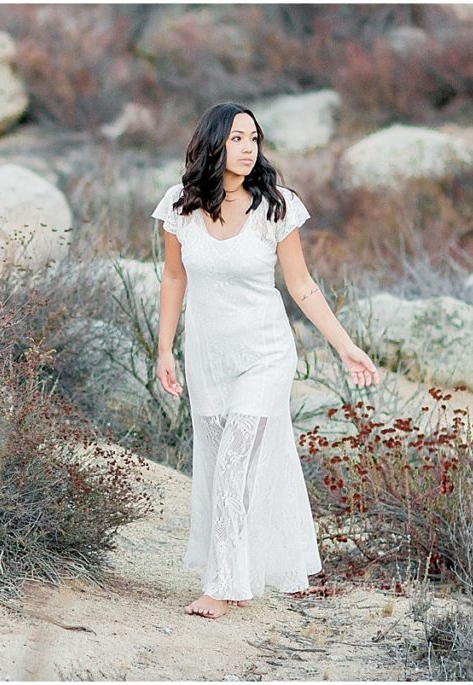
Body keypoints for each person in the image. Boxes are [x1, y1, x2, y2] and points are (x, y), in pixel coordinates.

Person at [151, 102, 381, 620]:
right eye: (236, 138)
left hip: (265, 353)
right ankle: (232, 567)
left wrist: (344, 345)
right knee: (216, 466)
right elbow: (173, 279)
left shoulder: (277, 205)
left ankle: (225, 586)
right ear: (213, 143)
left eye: (253, 137)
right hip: (208, 357)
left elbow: (301, 285)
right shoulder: (179, 206)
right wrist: (165, 349)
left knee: (234, 461)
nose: (248, 147)